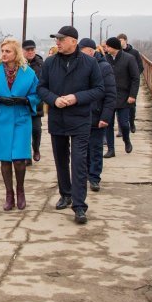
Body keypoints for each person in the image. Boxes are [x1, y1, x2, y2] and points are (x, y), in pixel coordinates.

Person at [37, 26, 104, 224]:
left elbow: (100, 89)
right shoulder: (50, 62)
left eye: (61, 39)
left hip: (80, 118)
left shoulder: (90, 63)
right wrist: (53, 99)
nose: (57, 42)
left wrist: (77, 97)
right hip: (58, 117)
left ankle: (79, 205)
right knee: (60, 159)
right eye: (56, 39)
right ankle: (65, 194)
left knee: (78, 161)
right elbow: (41, 87)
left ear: (74, 41)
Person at [0, 38, 40, 211]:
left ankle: (20, 191)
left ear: (16, 53)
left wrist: (26, 100)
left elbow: (37, 94)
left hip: (21, 118)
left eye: (8, 51)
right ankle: (9, 194)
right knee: (5, 159)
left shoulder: (28, 72)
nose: (4, 54)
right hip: (1, 118)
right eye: (3, 51)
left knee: (20, 158)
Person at [78, 38, 116, 192]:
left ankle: (94, 177)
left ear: (90, 50)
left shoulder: (104, 67)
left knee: (95, 148)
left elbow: (111, 94)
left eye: (81, 49)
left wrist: (105, 117)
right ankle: (85, 174)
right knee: (82, 149)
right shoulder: (79, 65)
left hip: (97, 114)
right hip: (80, 115)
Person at [103, 36, 140, 157]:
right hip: (108, 96)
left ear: (114, 47)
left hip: (124, 96)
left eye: (108, 46)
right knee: (108, 124)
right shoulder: (105, 59)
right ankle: (111, 149)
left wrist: (132, 95)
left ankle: (126, 140)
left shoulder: (129, 58)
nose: (106, 48)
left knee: (124, 123)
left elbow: (135, 78)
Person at [22, 39, 44, 163]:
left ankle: (36, 148)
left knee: (36, 130)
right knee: (24, 131)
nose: (30, 52)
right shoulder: (19, 64)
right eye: (27, 50)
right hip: (22, 102)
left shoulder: (41, 64)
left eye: (32, 50)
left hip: (36, 102)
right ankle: (26, 155)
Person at [117, 33, 143, 132]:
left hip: (131, 83)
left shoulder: (134, 53)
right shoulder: (116, 53)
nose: (119, 43)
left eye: (121, 40)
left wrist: (135, 75)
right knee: (118, 105)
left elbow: (140, 66)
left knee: (131, 105)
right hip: (120, 83)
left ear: (125, 40)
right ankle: (121, 128)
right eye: (118, 41)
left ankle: (131, 122)